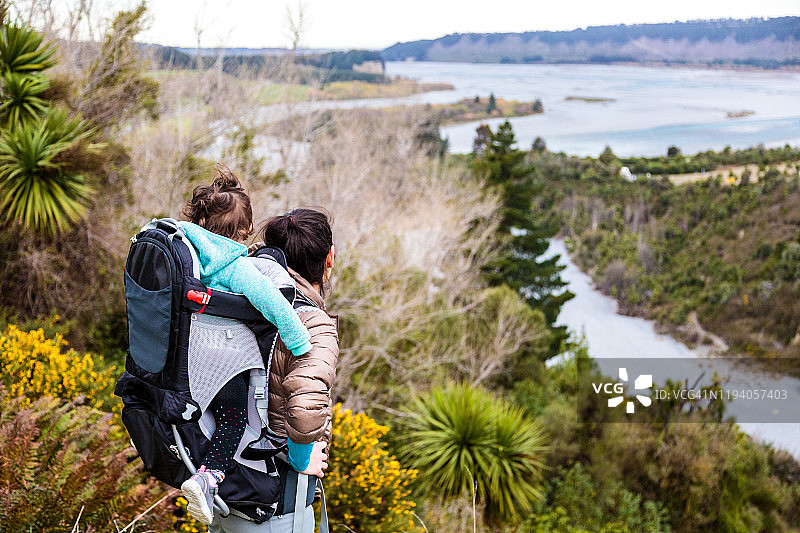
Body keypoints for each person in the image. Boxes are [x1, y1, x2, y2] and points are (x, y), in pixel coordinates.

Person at [177, 168, 314, 525]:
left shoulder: (187, 251)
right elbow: (274, 304)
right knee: (233, 421)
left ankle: (198, 470)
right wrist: (300, 342)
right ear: (245, 232)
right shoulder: (237, 267)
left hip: (187, 361)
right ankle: (208, 479)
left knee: (208, 420)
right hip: (224, 361)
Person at [209, 208, 339, 533]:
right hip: (276, 510)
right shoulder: (311, 321)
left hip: (224, 492)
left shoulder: (233, 290)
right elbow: (306, 406)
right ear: (329, 258)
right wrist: (300, 457)